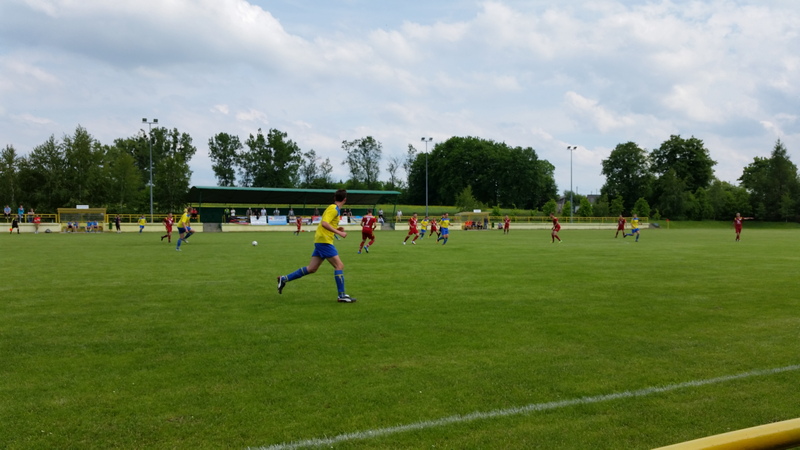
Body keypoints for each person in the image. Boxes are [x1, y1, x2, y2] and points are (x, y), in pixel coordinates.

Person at [276, 189, 357, 303]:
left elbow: (327, 223)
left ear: (335, 198)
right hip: (324, 241)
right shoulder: (333, 209)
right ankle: (341, 295)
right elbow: (324, 223)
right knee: (339, 266)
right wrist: (339, 232)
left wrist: (337, 229)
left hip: (321, 240)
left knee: (312, 268)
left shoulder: (333, 208)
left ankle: (284, 279)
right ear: (345, 199)